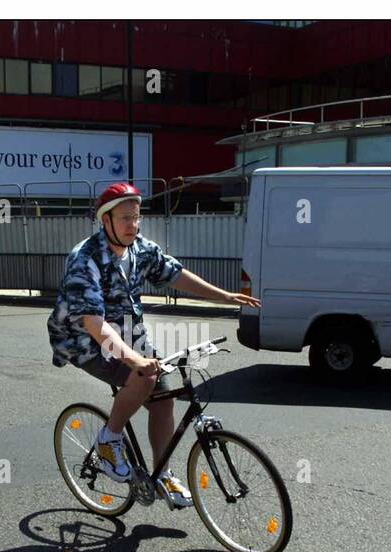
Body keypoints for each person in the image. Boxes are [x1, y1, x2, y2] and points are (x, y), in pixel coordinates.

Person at [48, 183, 261, 506]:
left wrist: (224, 296)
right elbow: (94, 323)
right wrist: (135, 360)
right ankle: (109, 439)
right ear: (105, 220)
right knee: (144, 376)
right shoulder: (85, 258)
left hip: (131, 335)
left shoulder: (141, 249)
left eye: (136, 218)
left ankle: (162, 474)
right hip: (85, 342)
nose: (133, 225)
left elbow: (176, 275)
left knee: (163, 401)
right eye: (124, 219)